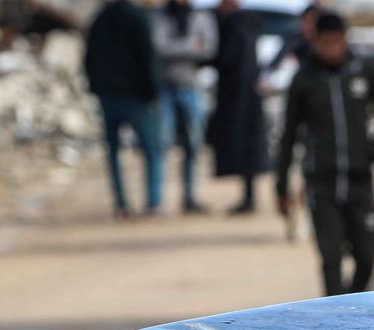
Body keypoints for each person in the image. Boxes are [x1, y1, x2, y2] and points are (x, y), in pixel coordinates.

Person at [275, 11, 374, 295]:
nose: (332, 48)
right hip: (321, 182)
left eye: (337, 41)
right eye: (325, 42)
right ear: (315, 40)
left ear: (345, 39)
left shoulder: (364, 70)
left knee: (367, 255)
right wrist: (281, 187)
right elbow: (288, 135)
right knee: (330, 257)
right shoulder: (303, 79)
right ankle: (335, 311)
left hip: (360, 179)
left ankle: (352, 299)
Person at [83, 0, 162, 219]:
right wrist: (153, 92)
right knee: (151, 150)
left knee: (114, 152)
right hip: (136, 96)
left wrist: (96, 87)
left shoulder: (100, 19)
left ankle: (121, 205)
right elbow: (148, 56)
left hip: (108, 94)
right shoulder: (137, 17)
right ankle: (153, 203)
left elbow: (89, 57)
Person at [152, 0, 218, 214]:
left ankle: (189, 198)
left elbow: (209, 48)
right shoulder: (160, 16)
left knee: (194, 143)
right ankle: (156, 201)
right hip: (165, 88)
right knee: (162, 143)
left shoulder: (200, 16)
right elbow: (158, 47)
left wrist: (177, 47)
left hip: (191, 86)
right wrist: (190, 45)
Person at [208, 0, 268, 214]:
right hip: (244, 99)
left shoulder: (235, 27)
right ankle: (248, 197)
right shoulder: (246, 26)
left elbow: (226, 59)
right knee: (247, 149)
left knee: (246, 148)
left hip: (239, 99)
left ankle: (249, 198)